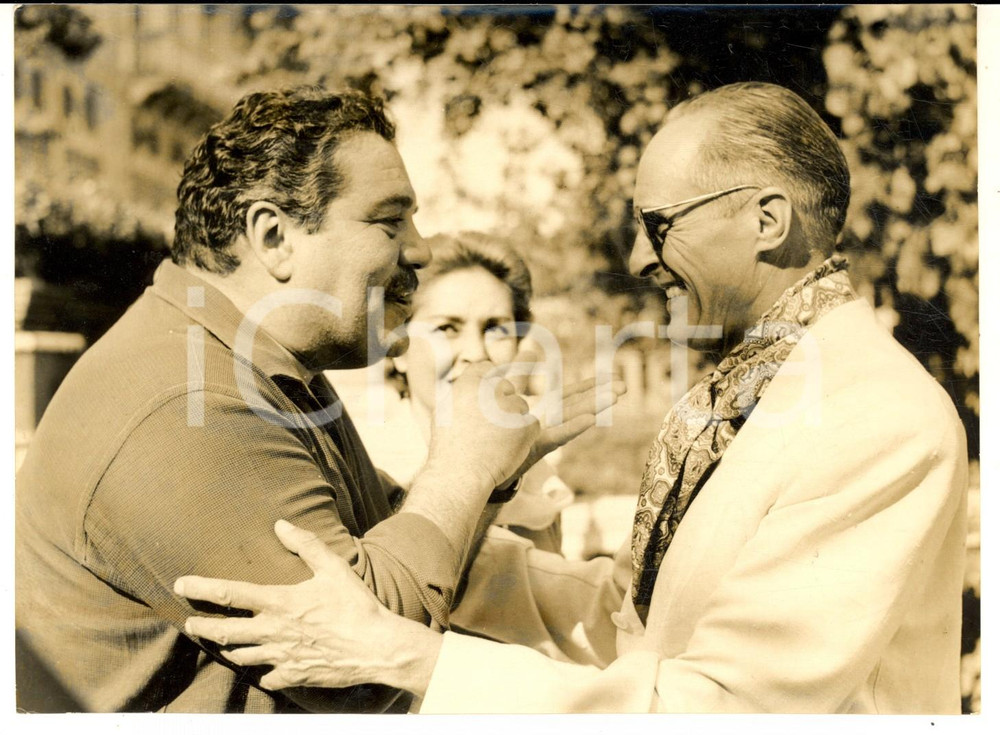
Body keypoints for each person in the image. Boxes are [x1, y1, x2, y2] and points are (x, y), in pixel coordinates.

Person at [177, 82, 970, 714]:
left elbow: (725, 707)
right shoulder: (757, 383)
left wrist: (400, 652)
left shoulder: (879, 418)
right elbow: (637, 625)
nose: (637, 258)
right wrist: (435, 515)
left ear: (768, 220)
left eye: (658, 226)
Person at [14, 87, 620, 713]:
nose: (422, 249)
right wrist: (466, 467)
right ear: (274, 236)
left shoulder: (257, 363)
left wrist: (492, 473)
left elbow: (395, 544)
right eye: (389, 221)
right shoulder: (184, 401)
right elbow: (362, 676)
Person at [342, 232, 574, 554]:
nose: (476, 353)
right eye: (447, 328)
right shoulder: (366, 466)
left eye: (496, 329)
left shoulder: (535, 475)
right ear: (400, 348)